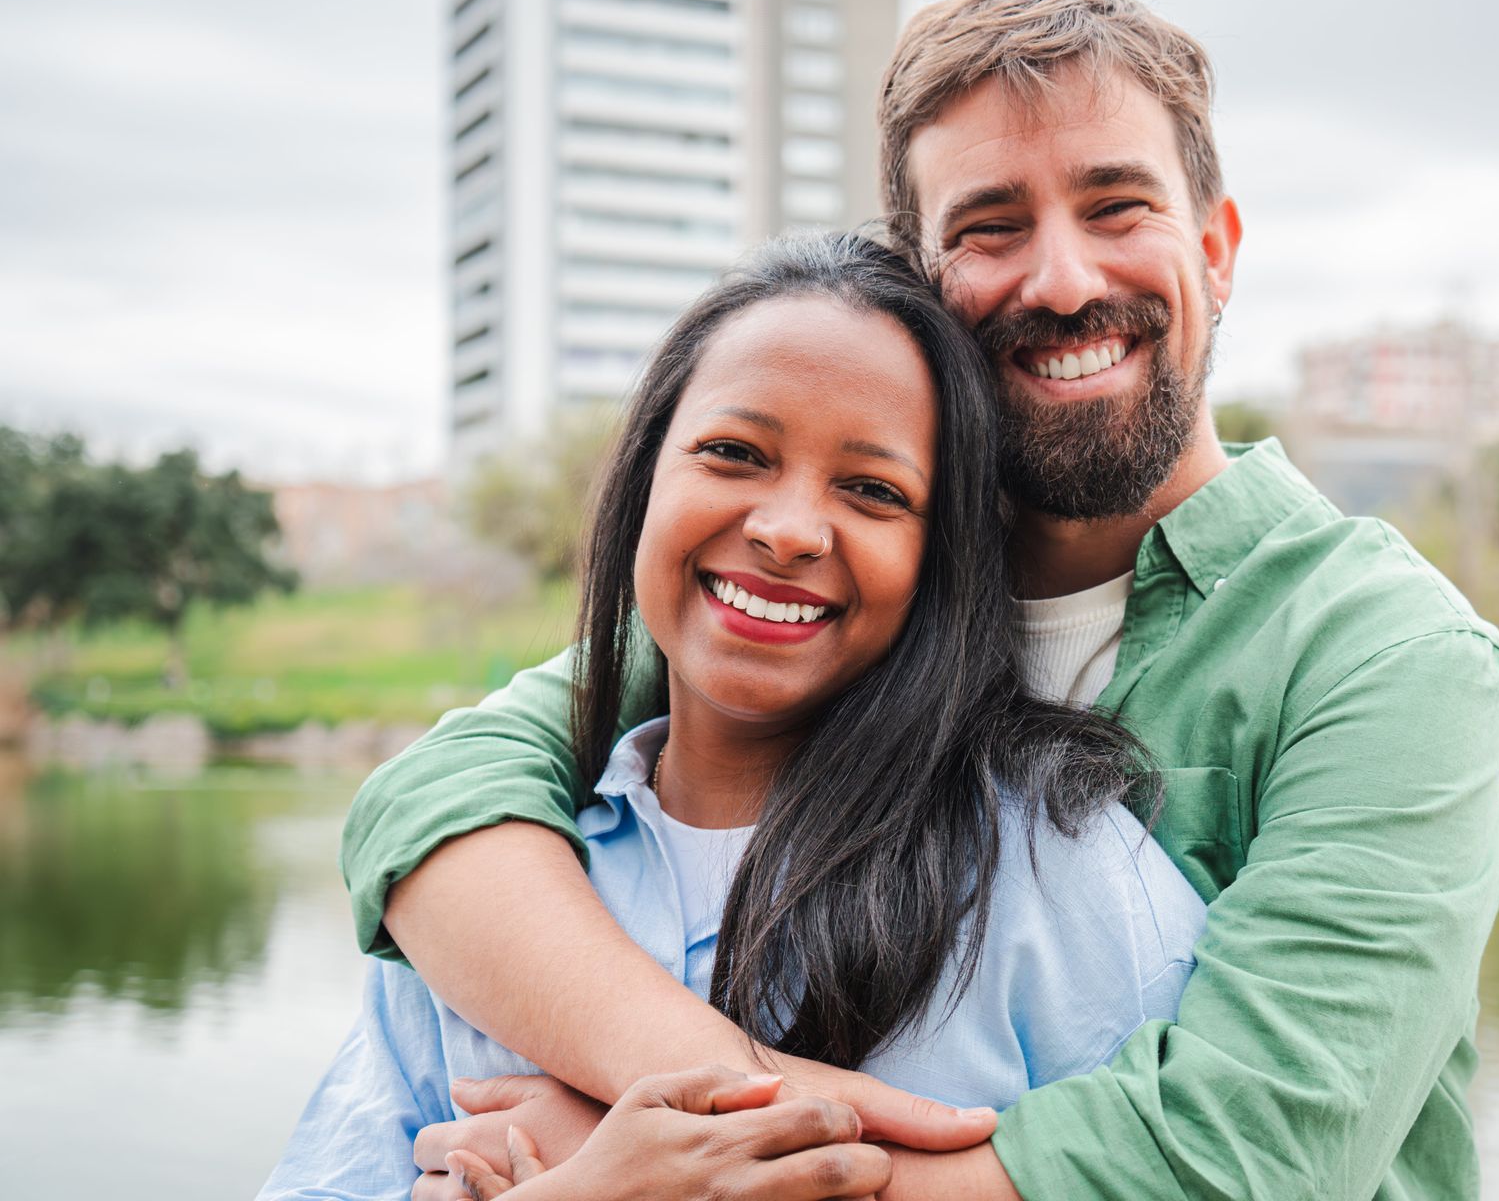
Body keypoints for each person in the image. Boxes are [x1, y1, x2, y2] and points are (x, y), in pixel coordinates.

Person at [344, 0, 1499, 1200]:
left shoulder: (1383, 649)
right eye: (991, 226)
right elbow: (436, 797)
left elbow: (1249, 1152)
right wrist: (710, 1094)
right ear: (923, 285)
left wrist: (671, 1166)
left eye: (1118, 206)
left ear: (1216, 250)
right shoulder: (849, 584)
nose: (1062, 280)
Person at [259, 234, 1207, 1199]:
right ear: (643, 484)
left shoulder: (1064, 876)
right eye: (733, 453)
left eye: (874, 490)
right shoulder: (490, 888)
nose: (788, 529)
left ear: (942, 560)